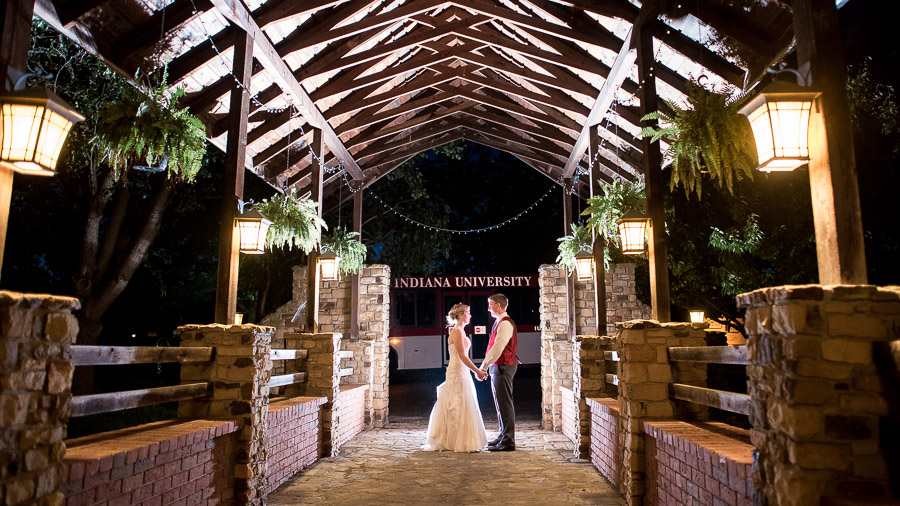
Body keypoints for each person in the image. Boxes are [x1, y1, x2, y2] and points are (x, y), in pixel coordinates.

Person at [423, 303, 489, 452]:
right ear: (460, 315)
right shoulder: (457, 331)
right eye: (468, 313)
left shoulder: (461, 331)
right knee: (457, 403)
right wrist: (477, 371)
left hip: (461, 371)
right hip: (457, 371)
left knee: (463, 401)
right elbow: (462, 356)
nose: (470, 315)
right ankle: (454, 440)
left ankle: (460, 438)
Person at [478, 293, 518, 452]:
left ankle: (508, 440)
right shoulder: (499, 322)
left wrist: (484, 366)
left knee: (505, 404)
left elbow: (498, 347)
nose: (488, 308)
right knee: (500, 403)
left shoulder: (505, 323)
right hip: (499, 366)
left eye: (490, 304)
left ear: (498, 306)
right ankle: (503, 435)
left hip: (503, 366)